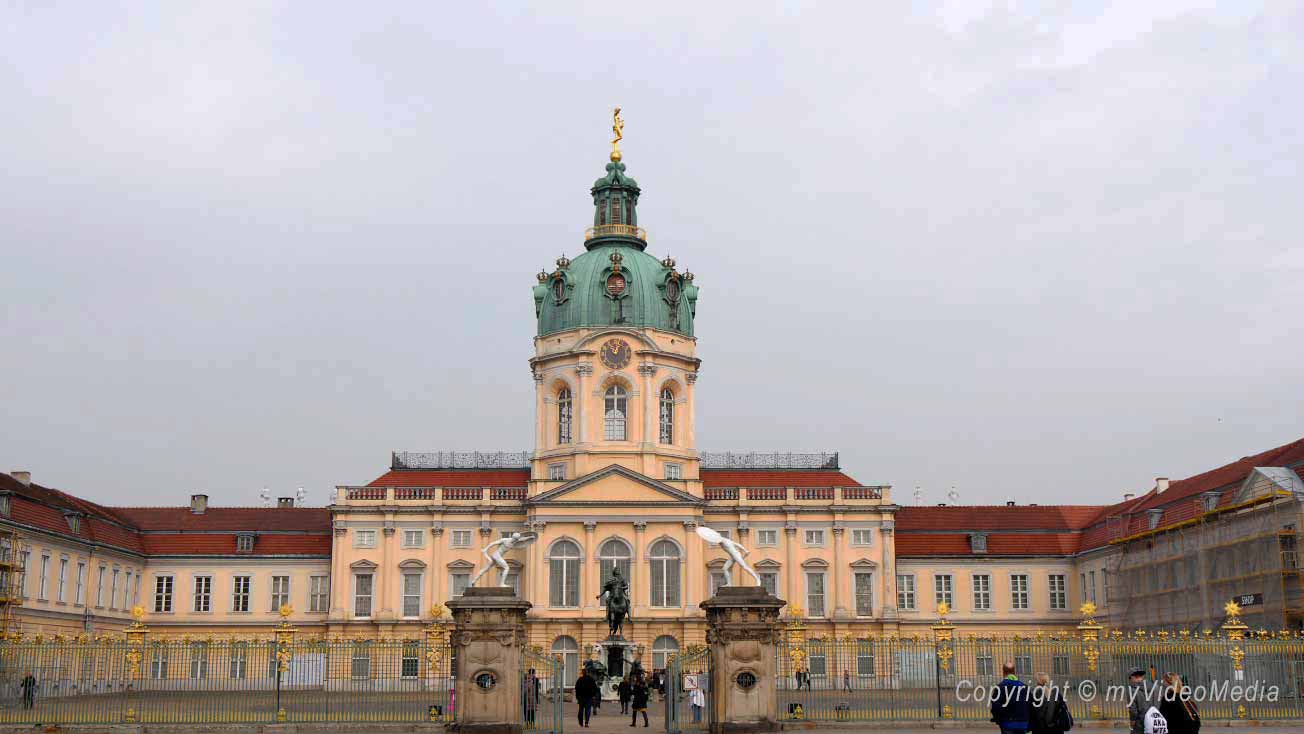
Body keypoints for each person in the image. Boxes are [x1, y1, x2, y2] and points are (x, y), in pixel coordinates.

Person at [990, 661, 1030, 734]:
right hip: (1023, 723)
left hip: (1007, 723)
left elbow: (995, 706)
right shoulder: (1025, 687)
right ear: (1014, 671)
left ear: (1003, 672)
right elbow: (1030, 705)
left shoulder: (1000, 687)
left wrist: (998, 719)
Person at [1129, 667, 1160, 734]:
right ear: (1143, 676)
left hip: (1141, 723)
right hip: (1156, 721)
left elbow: (1133, 711)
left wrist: (1132, 725)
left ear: (1131, 678)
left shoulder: (1132, 691)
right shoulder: (1156, 687)